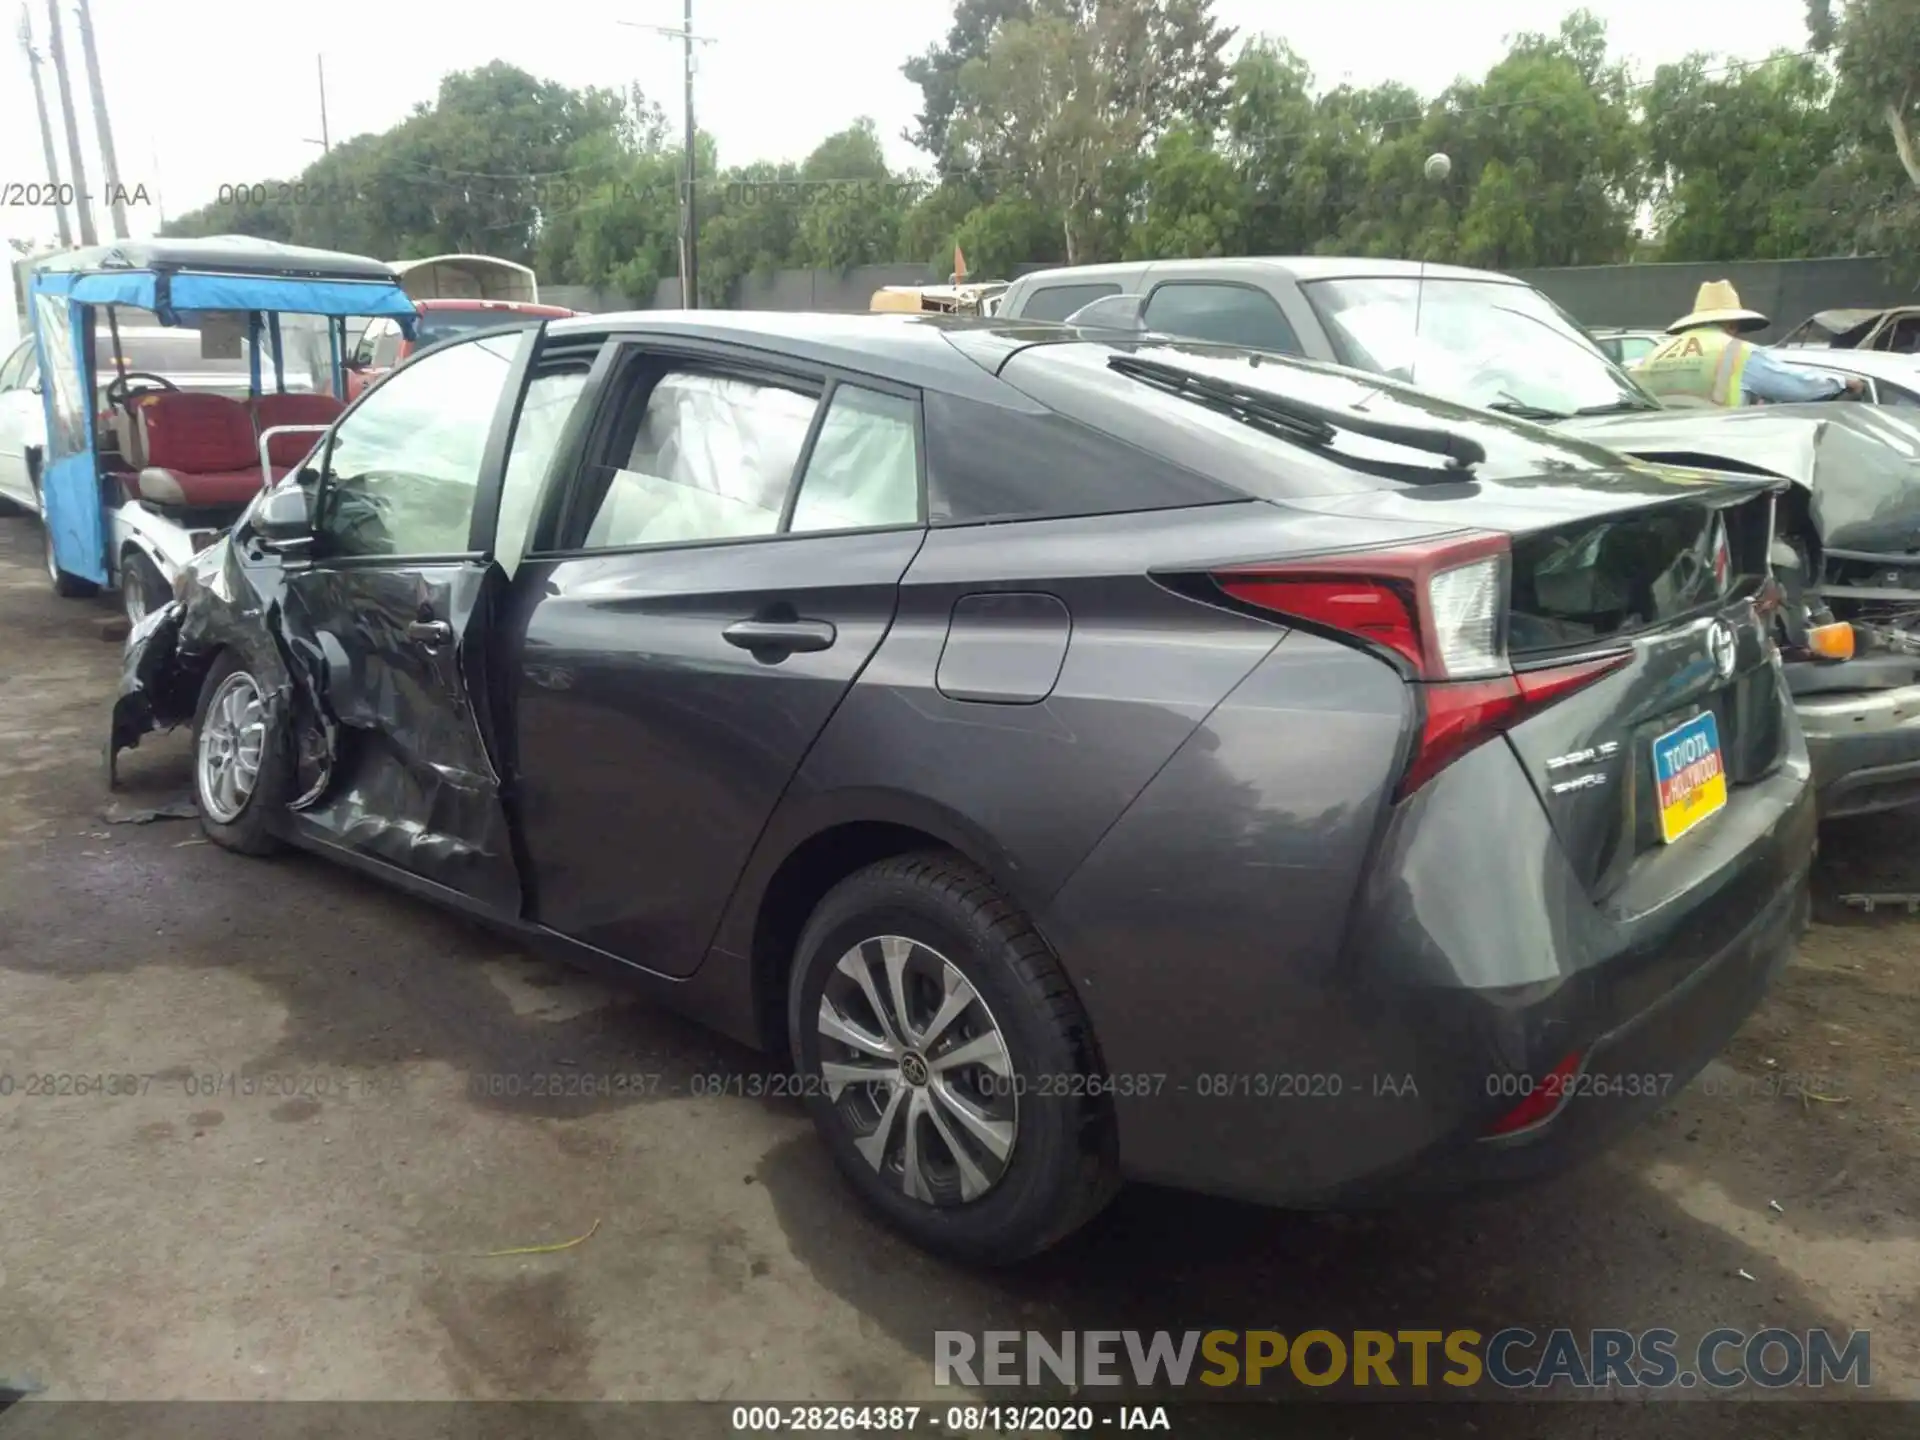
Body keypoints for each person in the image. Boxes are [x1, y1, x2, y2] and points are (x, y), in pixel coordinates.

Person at [1631, 280, 1867, 406]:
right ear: (1732, 324)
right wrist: (1844, 382)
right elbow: (1797, 385)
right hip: (1718, 459)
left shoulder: (1655, 354)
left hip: (1655, 463)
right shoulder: (1736, 354)